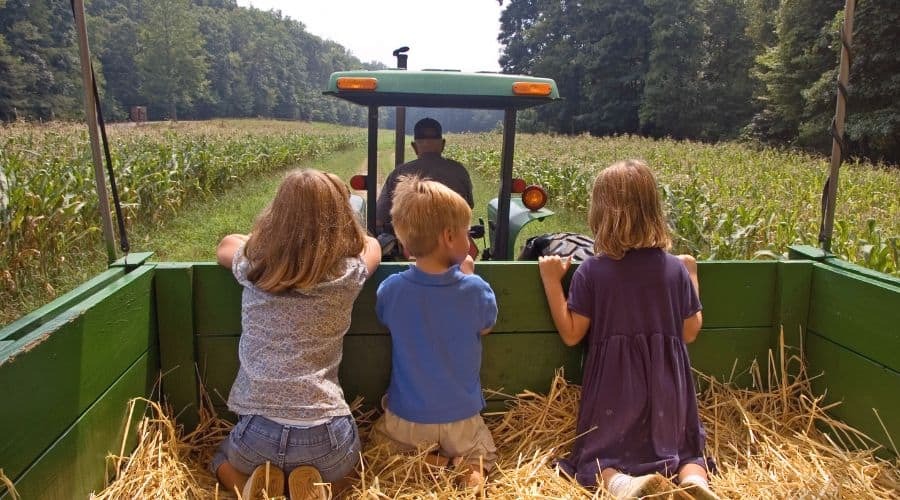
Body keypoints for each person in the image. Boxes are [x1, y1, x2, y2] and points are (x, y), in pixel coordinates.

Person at [537, 159, 718, 500]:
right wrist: (692, 274)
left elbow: (572, 333)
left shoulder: (593, 271)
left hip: (615, 386)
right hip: (668, 384)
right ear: (653, 210)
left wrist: (551, 282)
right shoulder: (673, 270)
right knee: (686, 450)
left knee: (599, 455)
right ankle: (695, 482)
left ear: (601, 214)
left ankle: (621, 485)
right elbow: (690, 331)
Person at [212, 169, 381, 500]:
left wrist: (271, 241)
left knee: (218, 458)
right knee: (355, 471)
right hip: (325, 436)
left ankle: (251, 487)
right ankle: (318, 490)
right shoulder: (347, 274)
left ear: (277, 214)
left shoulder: (254, 265)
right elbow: (371, 244)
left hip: (256, 434)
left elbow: (225, 245)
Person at [373, 176, 498, 489]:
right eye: (467, 234)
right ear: (448, 237)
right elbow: (486, 327)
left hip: (408, 419)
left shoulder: (391, 290)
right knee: (481, 456)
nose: (469, 241)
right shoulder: (475, 289)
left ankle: (437, 465)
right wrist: (469, 275)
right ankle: (469, 471)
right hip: (462, 419)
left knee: (380, 448)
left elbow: (387, 317)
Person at [375, 117, 475, 233]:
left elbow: (380, 218)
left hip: (411, 243)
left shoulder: (399, 173)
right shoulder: (459, 171)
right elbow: (469, 206)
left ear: (414, 147)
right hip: (452, 240)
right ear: (443, 144)